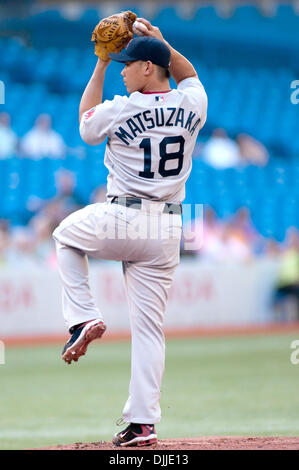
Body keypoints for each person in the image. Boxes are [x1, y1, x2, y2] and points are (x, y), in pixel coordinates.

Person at [52, 17, 207, 447]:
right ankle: (143, 425)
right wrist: (160, 41)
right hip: (169, 227)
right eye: (116, 63)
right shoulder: (193, 103)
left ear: (145, 70)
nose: (121, 69)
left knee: (65, 235)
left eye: (127, 63)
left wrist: (98, 65)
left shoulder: (123, 106)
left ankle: (83, 316)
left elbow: (84, 126)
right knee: (150, 330)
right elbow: (189, 74)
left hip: (124, 216)